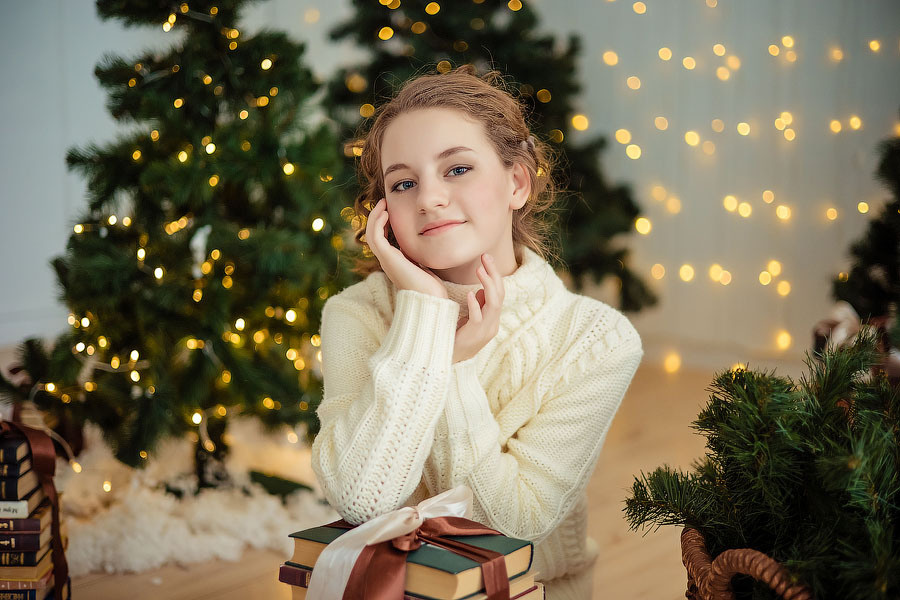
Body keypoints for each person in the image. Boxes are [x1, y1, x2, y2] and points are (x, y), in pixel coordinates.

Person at [310, 64, 644, 600]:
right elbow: (362, 497)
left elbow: (505, 528)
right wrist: (426, 313)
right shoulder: (356, 313)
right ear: (384, 214)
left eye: (457, 169)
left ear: (516, 183)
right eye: (403, 183)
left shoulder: (596, 339)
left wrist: (456, 369)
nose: (430, 198)